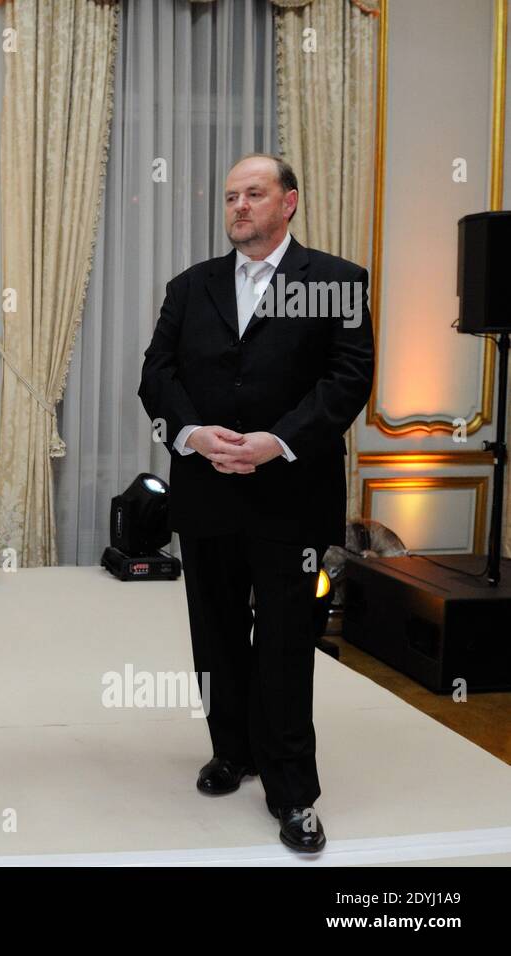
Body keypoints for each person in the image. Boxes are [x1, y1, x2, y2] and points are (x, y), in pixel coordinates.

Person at [138, 153, 374, 852]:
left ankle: (293, 791)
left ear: (289, 202)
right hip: (206, 489)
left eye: (255, 194)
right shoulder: (191, 286)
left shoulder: (336, 281)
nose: (239, 205)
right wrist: (189, 433)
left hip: (290, 496)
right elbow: (158, 374)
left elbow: (348, 380)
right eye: (232, 196)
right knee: (213, 635)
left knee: (284, 642)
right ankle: (230, 750)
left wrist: (278, 440)